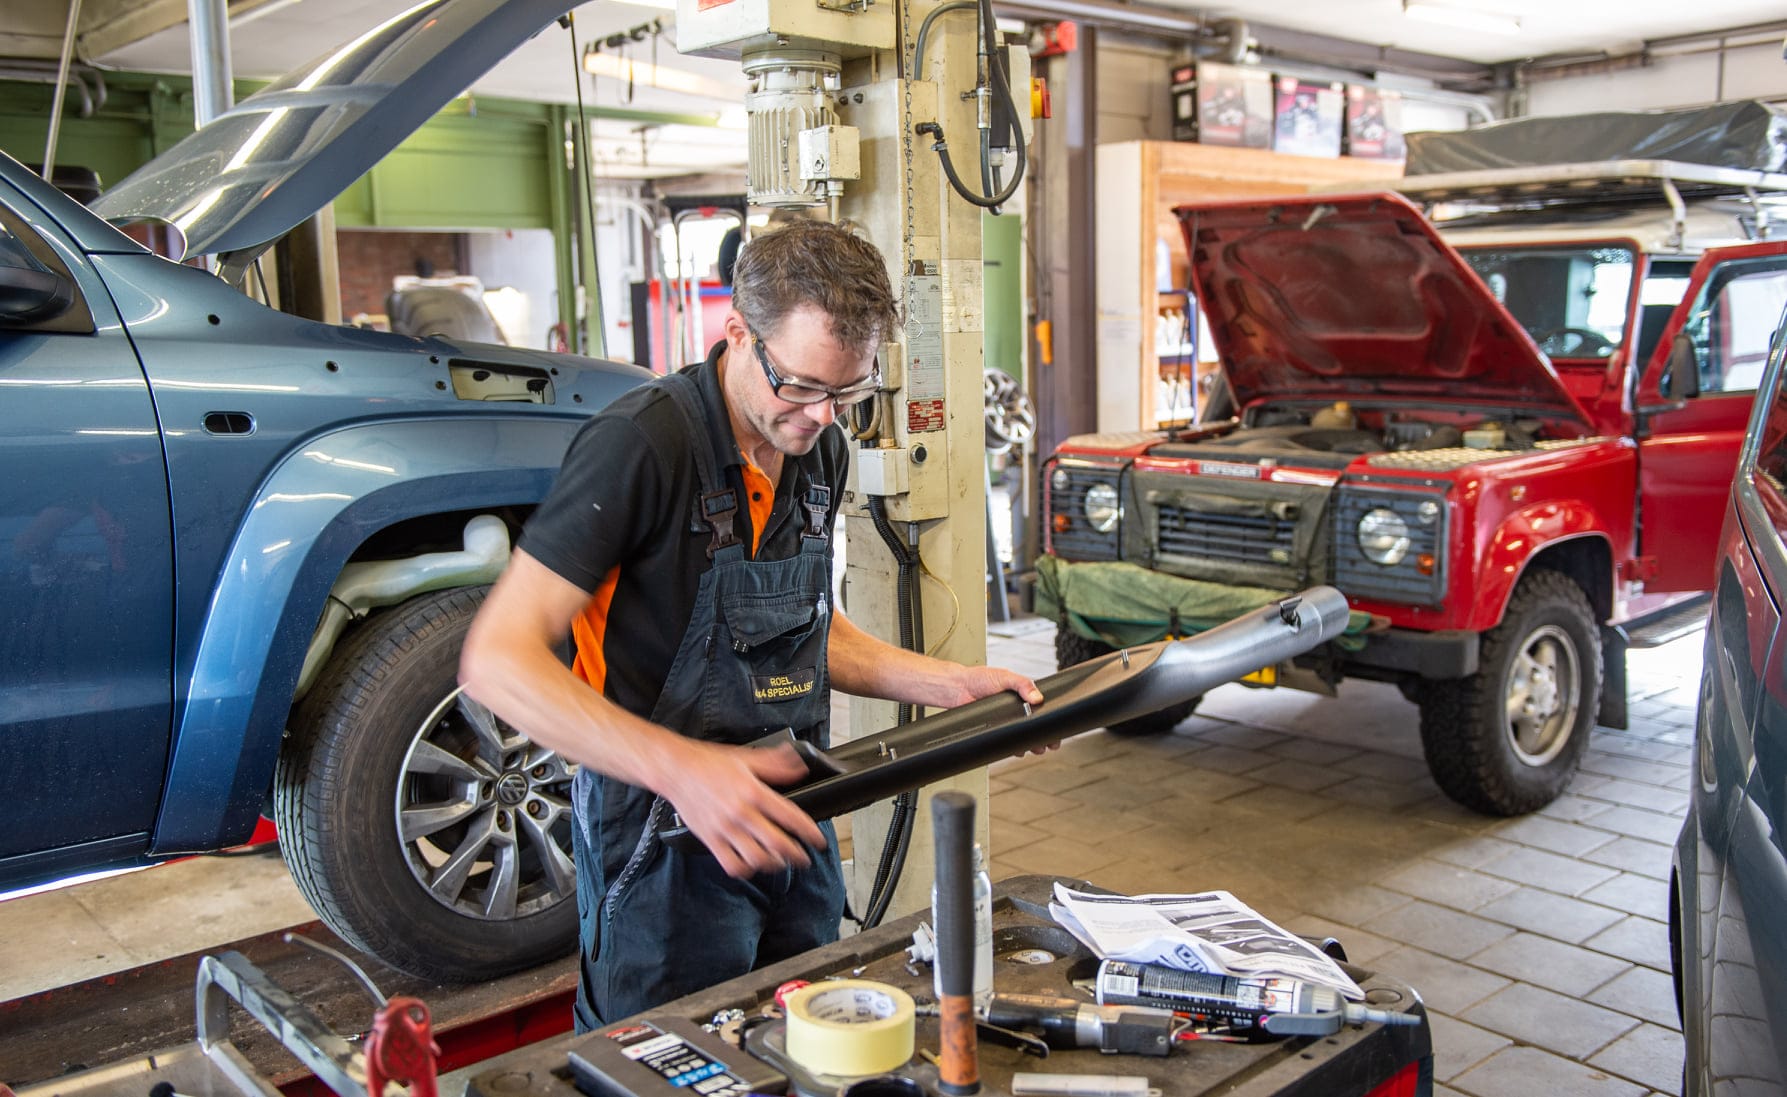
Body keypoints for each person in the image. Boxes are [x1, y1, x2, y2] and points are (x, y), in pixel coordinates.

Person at [459, 219, 1042, 1030]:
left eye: (848, 391)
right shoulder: (640, 446)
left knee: (801, 1039)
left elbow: (800, 626)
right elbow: (496, 659)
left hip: (793, 814)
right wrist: (688, 772)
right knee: (664, 1060)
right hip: (659, 839)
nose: (822, 415)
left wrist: (952, 684)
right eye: (800, 385)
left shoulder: (817, 448)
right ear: (736, 332)